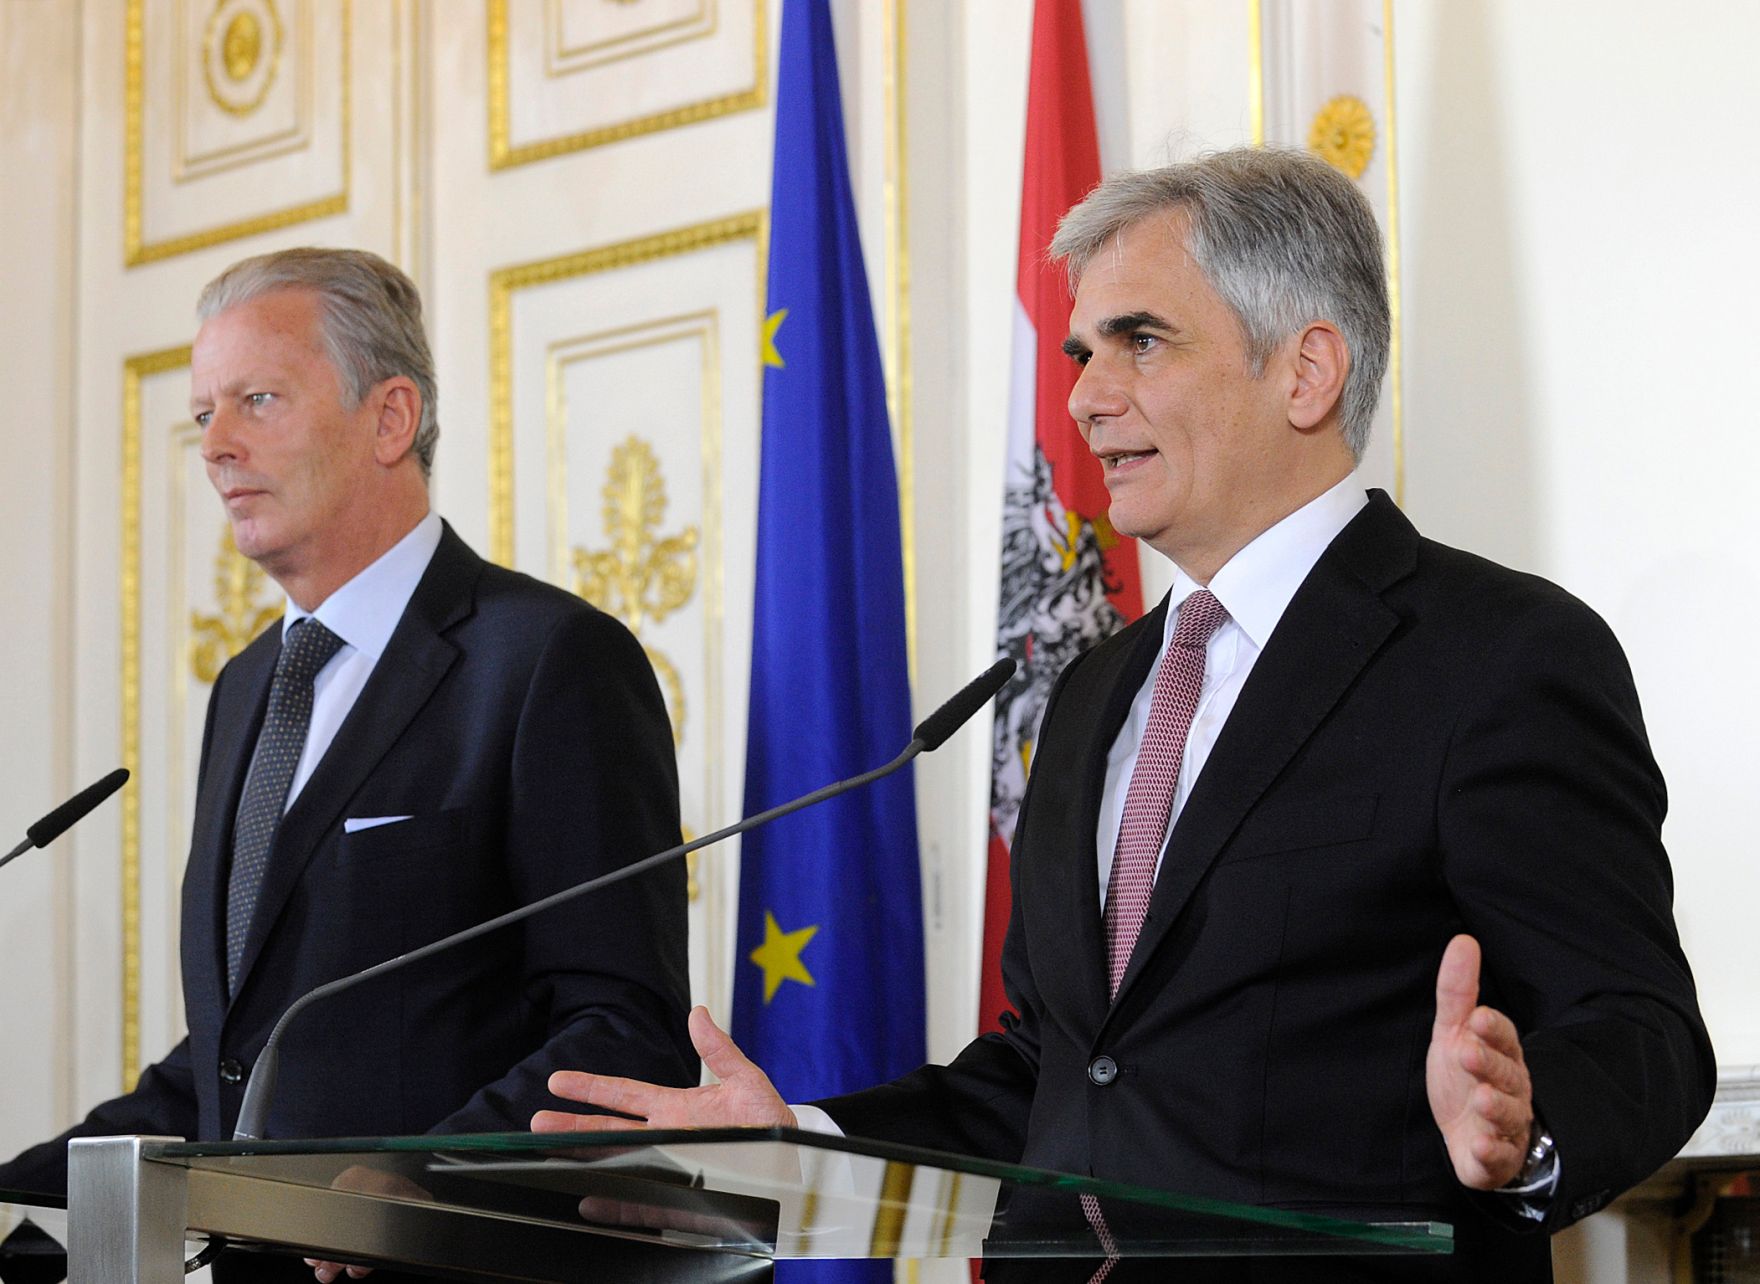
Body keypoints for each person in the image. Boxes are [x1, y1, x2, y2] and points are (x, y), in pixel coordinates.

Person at [531, 149, 1715, 1282]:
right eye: (1080, 353)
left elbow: (1641, 1027)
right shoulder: (1095, 688)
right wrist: (796, 1135)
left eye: (1139, 344)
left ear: (1306, 371)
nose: (1087, 399)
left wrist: (1526, 1126)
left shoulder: (1496, 656)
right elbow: (1056, 1076)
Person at [0, 248, 696, 1280]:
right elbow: (236, 1058)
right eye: (204, 415)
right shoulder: (248, 689)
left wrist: (425, 1174)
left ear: (390, 417)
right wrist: (15, 1191)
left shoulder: (546, 659)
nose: (217, 446)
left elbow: (622, 1025)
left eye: (258, 400)